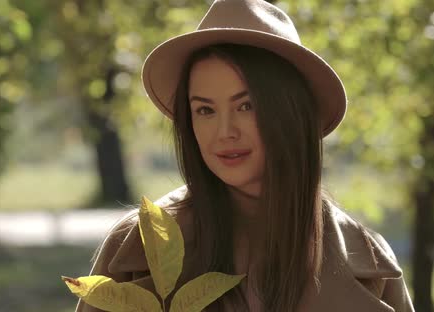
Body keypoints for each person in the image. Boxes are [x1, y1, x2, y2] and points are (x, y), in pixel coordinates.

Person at [76, 0, 414, 311]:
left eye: (246, 105)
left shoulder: (371, 264)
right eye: (205, 110)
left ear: (290, 112)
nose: (225, 131)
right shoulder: (140, 246)